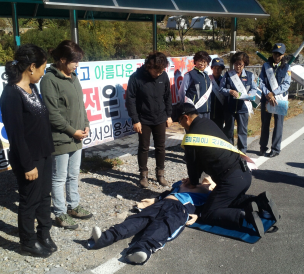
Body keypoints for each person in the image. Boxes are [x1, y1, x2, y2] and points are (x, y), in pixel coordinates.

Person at [178, 103, 280, 238]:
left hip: (230, 181)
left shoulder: (191, 138)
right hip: (244, 174)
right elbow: (207, 155)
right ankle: (259, 201)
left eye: (179, 121)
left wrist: (192, 182)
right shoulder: (208, 123)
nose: (180, 125)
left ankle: (244, 215)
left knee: (208, 212)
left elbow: (193, 166)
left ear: (186, 118)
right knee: (228, 201)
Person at [0, 44, 56, 257]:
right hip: (28, 158)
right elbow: (15, 135)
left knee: (44, 197)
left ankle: (44, 234)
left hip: (43, 153)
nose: (43, 73)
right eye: (42, 68)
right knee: (29, 201)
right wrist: (27, 164)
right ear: (32, 67)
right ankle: (28, 242)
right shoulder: (11, 95)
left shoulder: (33, 88)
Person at [87, 176, 216, 265]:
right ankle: (105, 237)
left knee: (162, 228)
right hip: (161, 204)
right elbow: (168, 192)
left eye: (212, 179)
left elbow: (208, 208)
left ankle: (142, 250)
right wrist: (154, 199)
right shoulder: (187, 181)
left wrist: (197, 215)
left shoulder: (210, 193)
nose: (208, 177)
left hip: (179, 210)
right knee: (136, 220)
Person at [40, 40, 92, 230]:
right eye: (74, 61)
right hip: (61, 138)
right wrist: (72, 131)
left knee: (73, 174)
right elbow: (52, 114)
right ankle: (60, 213)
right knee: (59, 177)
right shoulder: (49, 81)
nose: (77, 64)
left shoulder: (73, 77)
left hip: (77, 136)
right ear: (62, 60)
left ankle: (74, 206)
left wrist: (85, 125)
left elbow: (81, 105)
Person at [126, 52, 172, 188]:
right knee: (144, 147)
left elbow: (168, 97)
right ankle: (143, 175)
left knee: (161, 147)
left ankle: (160, 174)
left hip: (160, 117)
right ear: (149, 66)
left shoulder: (163, 76)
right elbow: (130, 100)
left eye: (161, 70)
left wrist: (169, 115)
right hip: (143, 119)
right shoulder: (136, 78)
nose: (159, 73)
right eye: (157, 70)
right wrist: (135, 120)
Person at [220, 52, 258, 153]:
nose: (238, 66)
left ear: (244, 64)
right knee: (229, 130)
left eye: (240, 64)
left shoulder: (250, 75)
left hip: (243, 108)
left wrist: (250, 94)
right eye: (236, 64)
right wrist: (230, 91)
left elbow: (254, 89)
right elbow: (221, 89)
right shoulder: (228, 75)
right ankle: (229, 151)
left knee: (242, 131)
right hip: (229, 108)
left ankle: (242, 152)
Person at [259, 43, 292, 158]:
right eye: (275, 53)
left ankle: (275, 149)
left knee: (278, 124)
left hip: (280, 99)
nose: (277, 56)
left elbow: (286, 84)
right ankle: (263, 147)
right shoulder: (266, 66)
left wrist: (274, 93)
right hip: (267, 99)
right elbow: (261, 81)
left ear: (283, 55)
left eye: (279, 54)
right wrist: (268, 94)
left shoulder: (287, 68)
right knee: (265, 124)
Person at [179, 51, 212, 118]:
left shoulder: (207, 76)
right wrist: (185, 106)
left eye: (205, 62)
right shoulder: (189, 75)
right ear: (195, 61)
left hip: (206, 110)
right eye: (200, 61)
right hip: (194, 111)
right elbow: (182, 92)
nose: (202, 63)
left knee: (206, 128)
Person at [209, 57, 226, 130]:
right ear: (211, 68)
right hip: (209, 112)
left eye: (219, 68)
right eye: (215, 67)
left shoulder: (225, 81)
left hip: (220, 113)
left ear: (222, 69)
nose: (217, 70)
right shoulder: (207, 80)